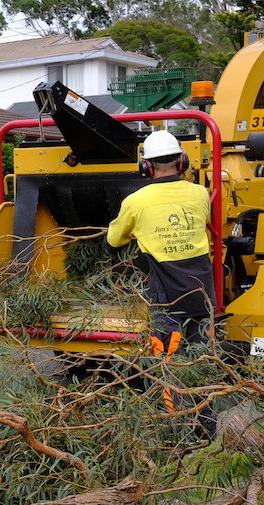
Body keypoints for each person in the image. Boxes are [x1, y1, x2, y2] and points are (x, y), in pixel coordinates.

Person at [106, 129, 214, 348]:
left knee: (167, 351)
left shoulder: (135, 202)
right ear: (181, 161)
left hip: (166, 294)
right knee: (201, 348)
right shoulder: (201, 193)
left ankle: (168, 382)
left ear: (146, 166)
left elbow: (113, 243)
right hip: (201, 289)